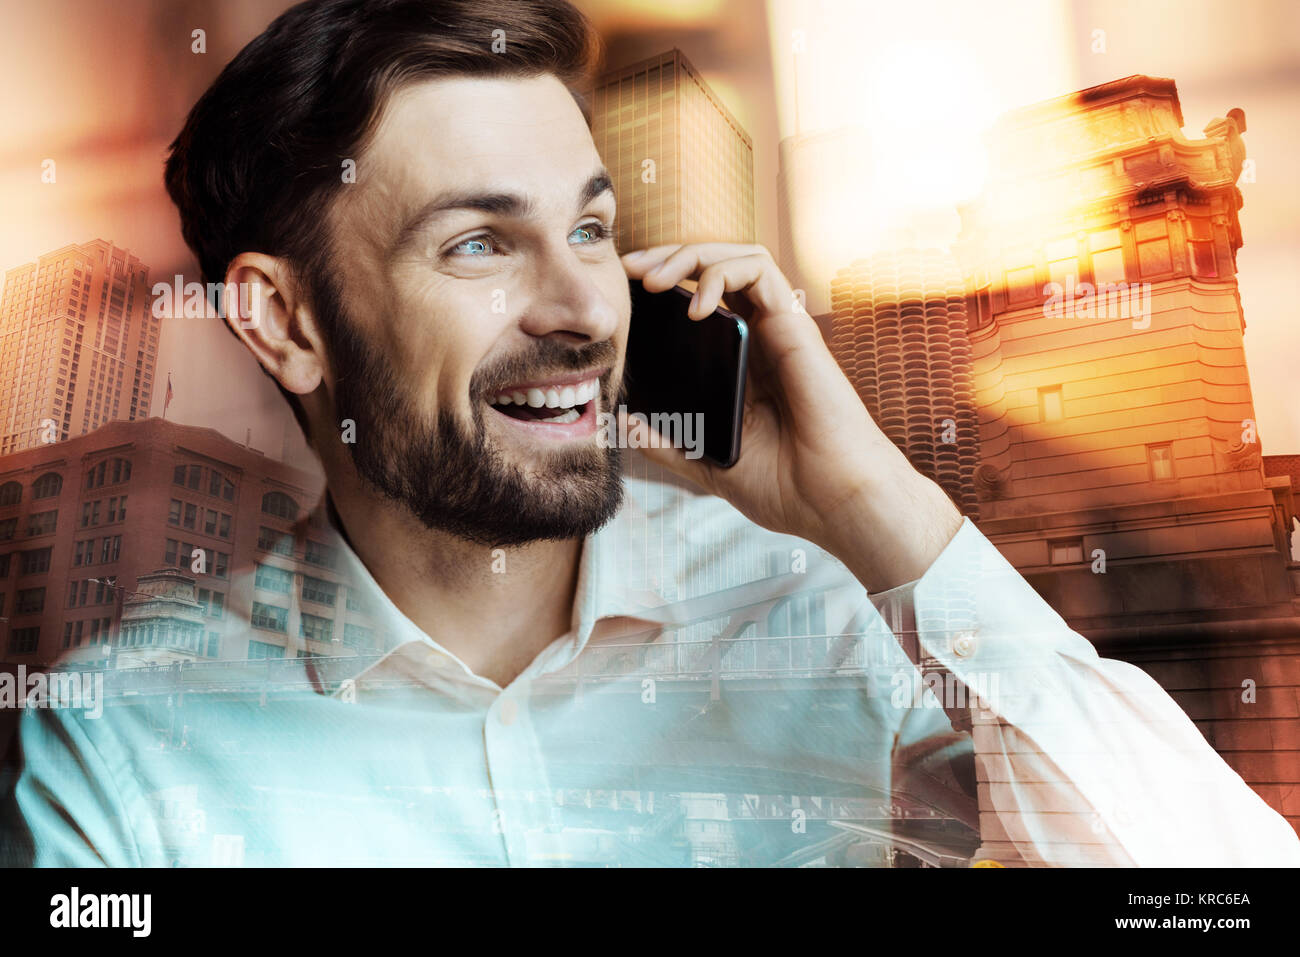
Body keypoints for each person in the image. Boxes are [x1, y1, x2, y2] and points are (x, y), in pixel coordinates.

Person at [2, 0, 1296, 867]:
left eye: (591, 228)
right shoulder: (127, 743)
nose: (585, 309)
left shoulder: (817, 619)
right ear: (283, 322)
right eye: (477, 243)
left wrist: (880, 511)